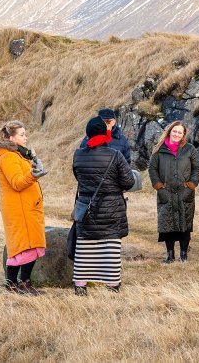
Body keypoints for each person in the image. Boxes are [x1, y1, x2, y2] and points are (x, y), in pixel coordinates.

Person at [71, 117, 137, 295]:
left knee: (84, 248)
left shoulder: (78, 155)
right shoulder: (115, 155)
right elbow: (129, 181)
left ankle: (80, 286)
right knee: (110, 248)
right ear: (105, 133)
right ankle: (112, 285)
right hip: (111, 207)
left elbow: (79, 177)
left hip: (86, 207)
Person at [0, 120, 49, 295]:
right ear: (10, 138)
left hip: (24, 208)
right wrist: (33, 174)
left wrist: (33, 169)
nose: (26, 137)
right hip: (21, 210)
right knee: (27, 247)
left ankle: (12, 285)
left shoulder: (16, 155)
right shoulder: (8, 157)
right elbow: (16, 183)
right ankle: (23, 284)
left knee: (19, 249)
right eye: (22, 135)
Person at [148, 121, 199, 263]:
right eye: (174, 131)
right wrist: (158, 185)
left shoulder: (190, 149)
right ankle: (170, 254)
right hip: (166, 192)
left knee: (185, 224)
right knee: (167, 225)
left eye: (180, 132)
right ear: (169, 132)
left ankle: (183, 254)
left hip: (185, 193)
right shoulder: (159, 149)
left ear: (183, 134)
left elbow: (197, 167)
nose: (177, 134)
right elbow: (152, 169)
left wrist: (191, 184)